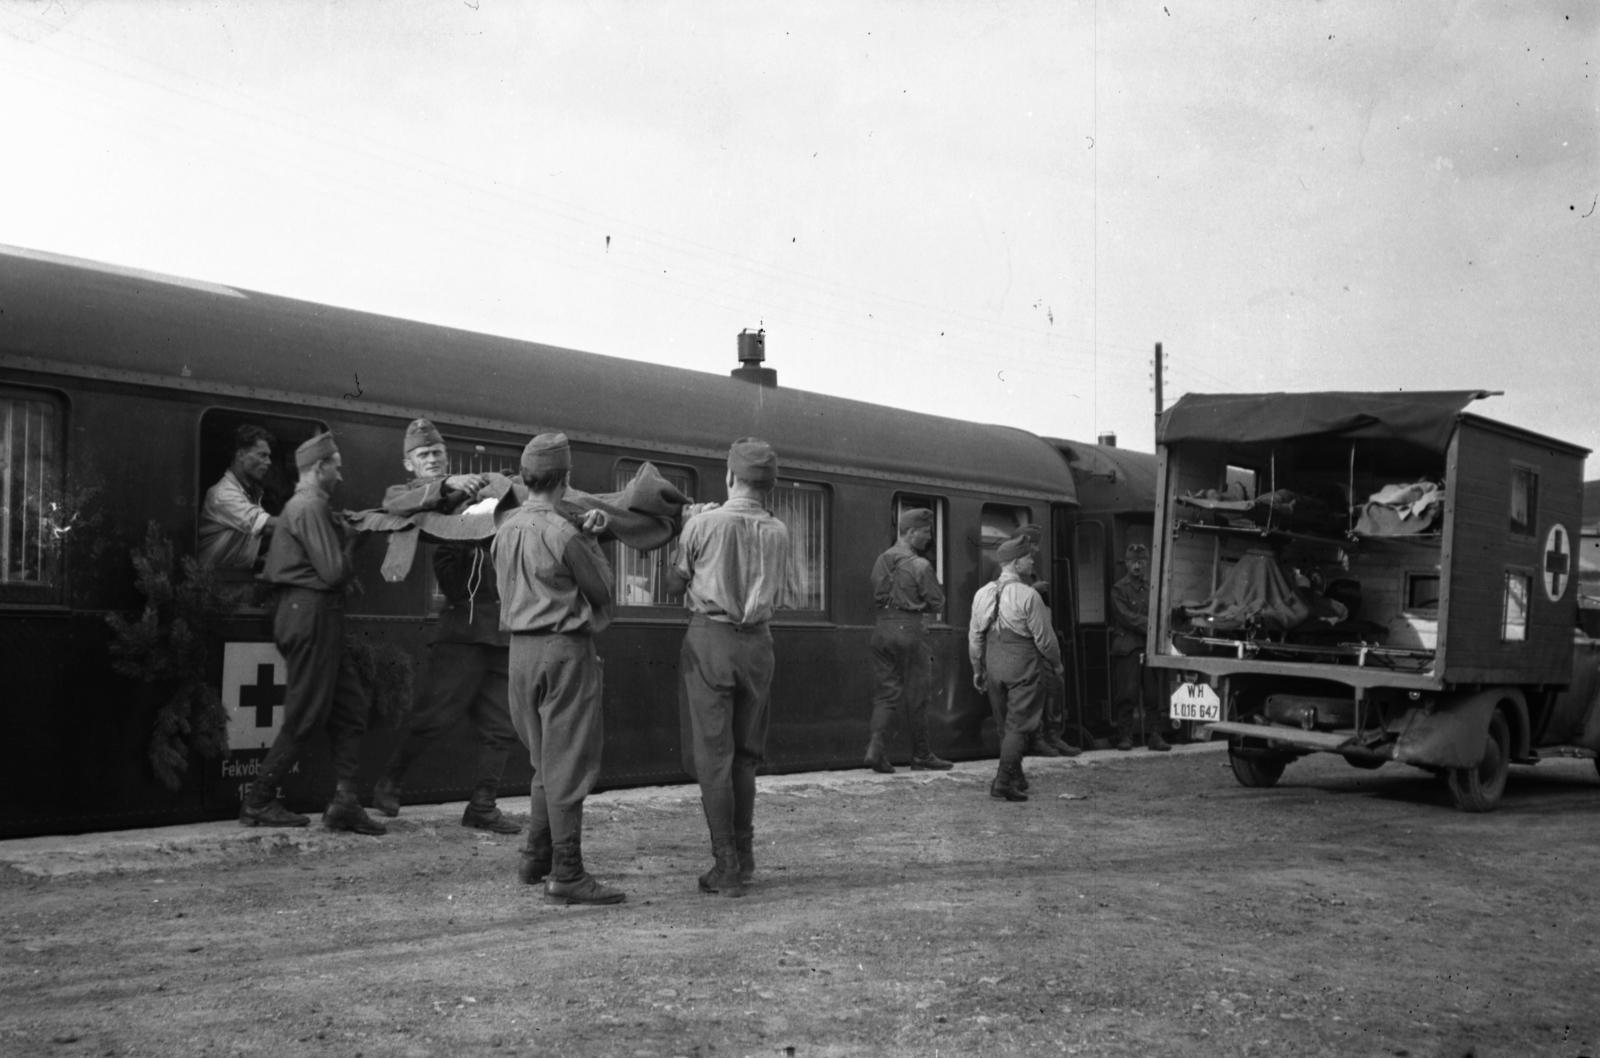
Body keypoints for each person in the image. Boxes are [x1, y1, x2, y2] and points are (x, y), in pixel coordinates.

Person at [662, 438, 799, 898]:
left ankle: (726, 867)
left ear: (729, 477)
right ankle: (745, 855)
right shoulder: (780, 531)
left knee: (712, 757)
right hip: (759, 646)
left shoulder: (703, 524)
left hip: (711, 642)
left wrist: (686, 525)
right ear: (771, 485)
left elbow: (671, 583)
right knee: (745, 757)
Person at [492, 432, 624, 906]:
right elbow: (602, 592)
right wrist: (591, 539)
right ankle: (567, 872)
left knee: (544, 760)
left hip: (519, 654)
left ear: (527, 478)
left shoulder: (503, 527)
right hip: (563, 651)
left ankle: (535, 856)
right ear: (565, 479)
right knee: (567, 762)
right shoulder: (565, 532)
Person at [372, 419, 518, 834]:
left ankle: (482, 805)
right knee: (434, 716)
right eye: (424, 455)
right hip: (462, 630)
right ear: (410, 463)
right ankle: (390, 782)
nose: (432, 459)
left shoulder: (474, 491)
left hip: (498, 630)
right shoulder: (415, 496)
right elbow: (399, 508)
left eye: (437, 453)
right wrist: (453, 497)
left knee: (501, 725)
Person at [240, 432, 386, 834]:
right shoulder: (310, 505)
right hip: (312, 614)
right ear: (319, 468)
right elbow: (335, 572)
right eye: (336, 467)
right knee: (305, 713)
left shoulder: (305, 506)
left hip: (310, 613)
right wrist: (354, 543)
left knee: (350, 705)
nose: (340, 475)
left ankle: (345, 801)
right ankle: (258, 799)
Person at [968, 534, 1065, 802]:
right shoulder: (1028, 595)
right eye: (1027, 558)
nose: (1032, 560)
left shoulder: (982, 594)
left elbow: (975, 637)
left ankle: (1016, 777)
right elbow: (1045, 640)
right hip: (1021, 663)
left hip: (993, 662)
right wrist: (1056, 665)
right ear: (1014, 563)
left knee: (1006, 725)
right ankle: (1002, 782)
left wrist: (978, 669)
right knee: (1018, 726)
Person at [863, 508, 953, 773]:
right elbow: (937, 601)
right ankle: (922, 755)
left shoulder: (882, 560)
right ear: (911, 533)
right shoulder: (920, 565)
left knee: (886, 693)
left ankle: (875, 749)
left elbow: (877, 595)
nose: (928, 539)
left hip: (882, 629)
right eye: (925, 533)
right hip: (910, 630)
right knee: (918, 695)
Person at [1110, 543, 1171, 753]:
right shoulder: (1119, 589)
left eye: (1141, 562)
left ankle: (1156, 735)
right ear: (1126, 563)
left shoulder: (1151, 588)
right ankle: (1125, 736)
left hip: (1148, 647)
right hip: (1129, 648)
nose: (1137, 566)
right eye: (1132, 562)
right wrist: (1152, 625)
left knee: (1153, 694)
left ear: (1146, 563)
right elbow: (1126, 617)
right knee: (1127, 693)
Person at [198, 424, 279, 569]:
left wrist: (257, 560)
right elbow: (261, 523)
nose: (268, 462)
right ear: (241, 455)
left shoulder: (251, 494)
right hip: (212, 587)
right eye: (262, 455)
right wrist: (304, 521)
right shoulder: (222, 494)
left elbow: (257, 532)